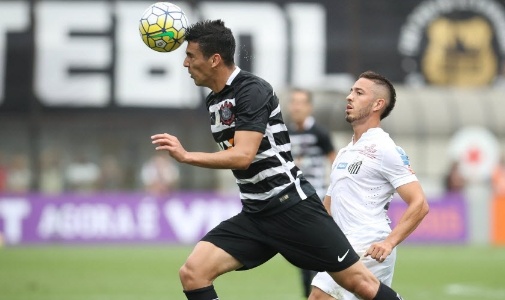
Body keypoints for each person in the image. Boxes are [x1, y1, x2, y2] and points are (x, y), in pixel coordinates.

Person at [151, 20, 407, 300]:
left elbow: (244, 156)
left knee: (361, 285)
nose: (185, 64)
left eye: (190, 56)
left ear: (214, 60)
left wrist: (187, 156)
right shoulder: (214, 100)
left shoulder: (252, 90)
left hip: (292, 207)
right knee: (192, 273)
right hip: (256, 214)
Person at [309, 71, 430, 300]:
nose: (349, 97)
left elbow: (419, 203)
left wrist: (389, 242)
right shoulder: (344, 152)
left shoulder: (385, 148)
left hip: (367, 244)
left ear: (378, 104)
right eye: (351, 91)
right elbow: (328, 208)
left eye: (359, 92)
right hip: (341, 245)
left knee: (320, 296)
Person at [286, 88, 337, 298]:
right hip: (295, 201)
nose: (297, 107)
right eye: (294, 102)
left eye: (301, 102)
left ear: (309, 107)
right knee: (302, 255)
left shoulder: (319, 133)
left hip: (315, 199)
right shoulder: (286, 133)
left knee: (315, 252)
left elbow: (335, 163)